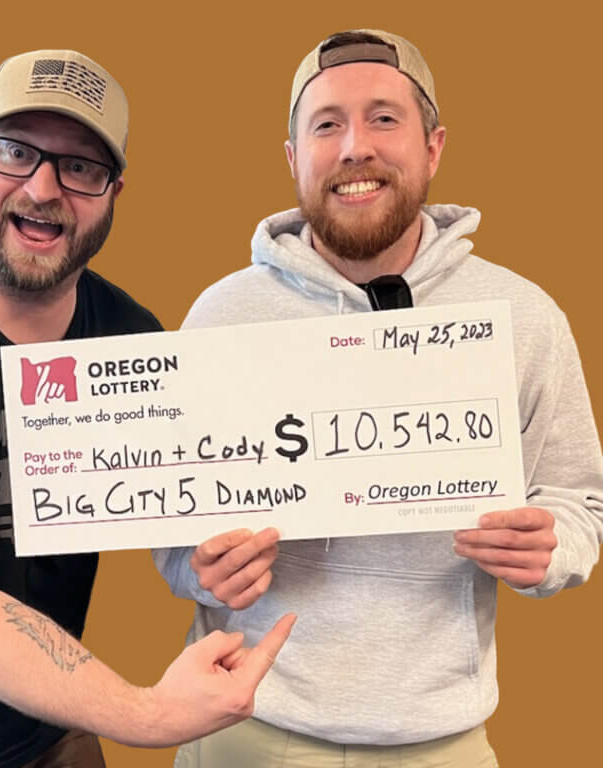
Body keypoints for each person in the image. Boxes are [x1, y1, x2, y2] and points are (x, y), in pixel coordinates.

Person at [154, 29, 603, 767]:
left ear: (433, 147)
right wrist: (198, 566)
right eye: (326, 124)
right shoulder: (222, 316)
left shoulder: (523, 317)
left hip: (441, 741)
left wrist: (552, 545)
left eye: (384, 119)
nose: (354, 147)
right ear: (294, 158)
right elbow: (170, 525)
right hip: (247, 726)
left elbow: (579, 499)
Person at [0, 49, 294, 768]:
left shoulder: (132, 340)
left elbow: (167, 523)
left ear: (113, 192)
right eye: (17, 152)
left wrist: (206, 564)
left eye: (80, 166)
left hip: (45, 717)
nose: (44, 188)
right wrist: (149, 714)